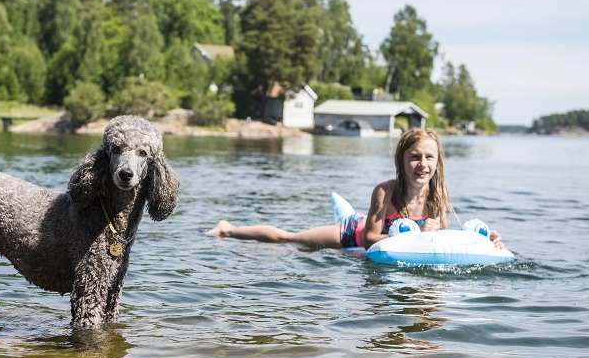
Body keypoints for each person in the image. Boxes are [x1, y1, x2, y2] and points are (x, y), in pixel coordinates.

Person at [207, 128, 506, 250]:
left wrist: (485, 241)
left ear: (438, 163)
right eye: (414, 156)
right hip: (355, 231)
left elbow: (444, 239)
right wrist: (418, 234)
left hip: (387, 238)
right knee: (291, 240)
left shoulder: (437, 198)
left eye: (429, 157)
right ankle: (228, 229)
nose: (422, 164)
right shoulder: (385, 192)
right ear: (401, 161)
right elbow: (369, 238)